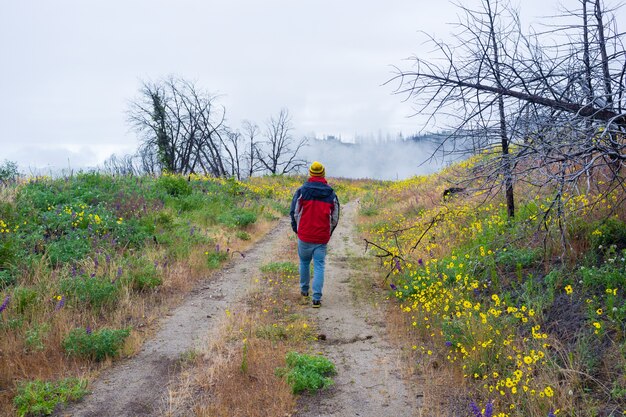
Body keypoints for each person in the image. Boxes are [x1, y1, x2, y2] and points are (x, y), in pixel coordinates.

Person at [290, 161, 340, 308]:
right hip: (321, 237)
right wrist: (328, 233)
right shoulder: (331, 194)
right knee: (319, 266)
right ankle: (316, 298)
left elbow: (294, 213)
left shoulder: (301, 191)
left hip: (304, 235)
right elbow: (335, 218)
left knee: (304, 263)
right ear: (323, 174)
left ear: (310, 174)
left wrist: (297, 230)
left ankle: (304, 291)